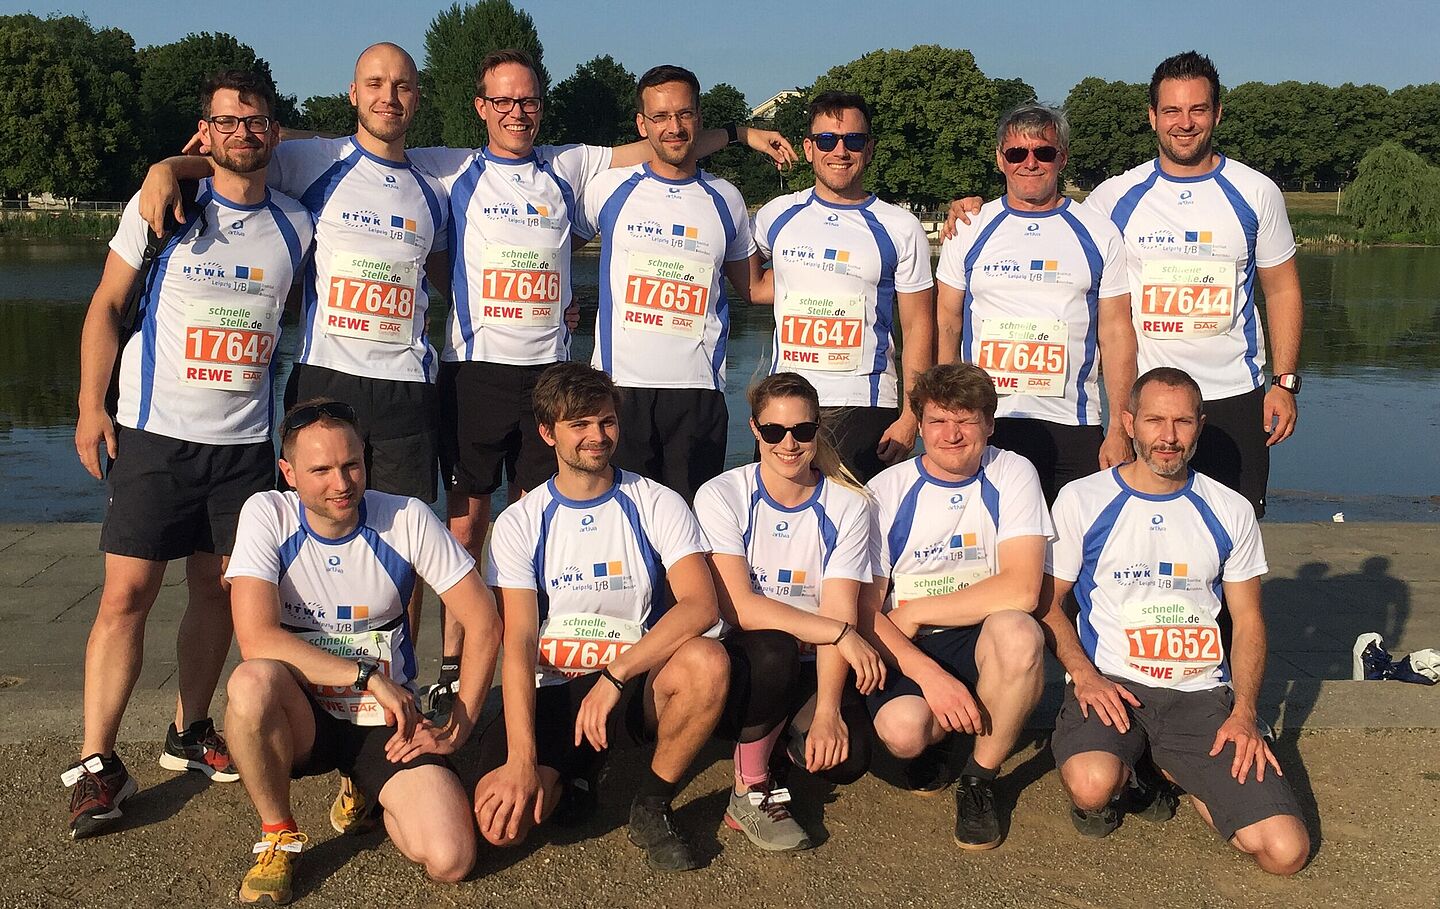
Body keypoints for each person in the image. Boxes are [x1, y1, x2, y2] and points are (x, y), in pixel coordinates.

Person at [404, 48, 794, 715]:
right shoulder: (456, 168)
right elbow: (338, 154)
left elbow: (667, 146)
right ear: (481, 106)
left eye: (527, 100)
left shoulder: (578, 168)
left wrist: (740, 135)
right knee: (467, 529)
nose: (516, 112)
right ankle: (455, 668)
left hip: (587, 383)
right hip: (485, 377)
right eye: (502, 101)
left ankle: (619, 670)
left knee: (581, 530)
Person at [141, 41, 452, 830]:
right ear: (354, 92)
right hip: (326, 382)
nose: (389, 96)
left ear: (418, 98)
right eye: (375, 83)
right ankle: (297, 694)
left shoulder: (439, 180)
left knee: (403, 559)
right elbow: (225, 153)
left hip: (409, 389)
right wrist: (163, 169)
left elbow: (450, 267)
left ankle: (390, 724)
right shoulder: (307, 156)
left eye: (402, 86)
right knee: (306, 543)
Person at [66, 70, 312, 839]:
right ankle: (98, 762)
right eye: (227, 121)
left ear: (273, 129)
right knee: (124, 597)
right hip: (153, 432)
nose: (244, 132)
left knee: (215, 592)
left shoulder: (297, 223)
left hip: (243, 444)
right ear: (202, 130)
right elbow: (107, 305)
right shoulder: (162, 208)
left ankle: (189, 730)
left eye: (257, 121)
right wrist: (87, 405)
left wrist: (184, 157)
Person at [947, 52, 1302, 516]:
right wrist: (969, 208)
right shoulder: (1114, 197)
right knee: (1143, 533)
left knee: (1233, 532)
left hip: (1233, 393)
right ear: (1152, 116)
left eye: (1198, 110)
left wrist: (1285, 382)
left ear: (1217, 113)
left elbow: (1283, 290)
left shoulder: (1257, 192)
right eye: (1172, 110)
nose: (1185, 123)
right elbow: (1043, 211)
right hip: (1146, 402)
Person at [223, 400, 502, 904]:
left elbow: (485, 621)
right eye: (321, 470)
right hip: (304, 713)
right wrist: (366, 675)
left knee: (451, 859)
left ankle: (365, 785)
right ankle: (279, 835)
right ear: (288, 473)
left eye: (351, 464)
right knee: (249, 683)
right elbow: (256, 638)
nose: (341, 483)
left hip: (383, 722)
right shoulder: (266, 514)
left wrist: (460, 721)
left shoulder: (406, 518)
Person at [1037, 366, 1309, 875]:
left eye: (1182, 422)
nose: (1168, 437)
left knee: (1284, 853)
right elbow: (1047, 605)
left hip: (1201, 695)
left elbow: (1248, 621)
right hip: (1114, 686)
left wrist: (1245, 712)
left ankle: (1165, 765)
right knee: (1093, 787)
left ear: (1200, 426)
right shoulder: (1084, 499)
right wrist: (1086, 676)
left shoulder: (1229, 509)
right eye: (1155, 420)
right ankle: (1130, 766)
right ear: (1128, 422)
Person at [475, 361, 730, 872]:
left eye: (607, 422)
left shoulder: (656, 501)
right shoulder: (519, 522)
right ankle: (575, 772)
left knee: (708, 661)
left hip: (629, 684)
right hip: (555, 688)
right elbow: (520, 641)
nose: (597, 436)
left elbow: (701, 605)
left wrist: (615, 676)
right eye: (580, 425)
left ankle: (652, 805)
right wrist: (521, 760)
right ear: (547, 433)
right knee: (500, 828)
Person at [860, 363, 1052, 850]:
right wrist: (931, 676)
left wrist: (920, 609)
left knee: (1020, 632)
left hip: (976, 629)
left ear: (989, 424)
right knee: (904, 734)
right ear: (920, 425)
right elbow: (867, 612)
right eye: (938, 421)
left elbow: (1023, 588)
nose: (951, 434)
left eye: (965, 420)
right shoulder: (887, 490)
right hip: (911, 643)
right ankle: (942, 730)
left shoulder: (1012, 471)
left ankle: (979, 778)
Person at [693, 372, 885, 852]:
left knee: (849, 759)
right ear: (756, 430)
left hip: (811, 659)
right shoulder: (722, 494)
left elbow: (839, 607)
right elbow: (740, 607)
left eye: (802, 430)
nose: (789, 443)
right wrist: (839, 634)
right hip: (749, 658)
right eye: (775, 431)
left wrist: (827, 711)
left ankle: (775, 737)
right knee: (774, 645)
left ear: (817, 430)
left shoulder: (849, 506)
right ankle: (749, 790)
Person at [576, 64, 763, 502]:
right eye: (660, 117)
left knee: (691, 530)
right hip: (620, 392)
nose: (673, 127)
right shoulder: (608, 189)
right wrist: (559, 301)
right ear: (643, 124)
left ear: (699, 118)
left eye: (684, 115)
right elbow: (555, 251)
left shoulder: (727, 198)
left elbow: (754, 288)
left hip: (698, 394)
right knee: (625, 524)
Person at [935, 104, 1136, 504]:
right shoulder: (969, 228)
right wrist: (945, 414)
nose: (1030, 163)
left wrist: (1119, 429)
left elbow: (1115, 334)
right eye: (1016, 153)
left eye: (1043, 153)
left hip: (1072, 424)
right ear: (1000, 158)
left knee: (1069, 559)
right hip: (988, 421)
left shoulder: (1099, 233)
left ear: (1061, 157)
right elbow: (947, 323)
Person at [751, 92, 935, 482]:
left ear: (868, 149)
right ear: (808, 147)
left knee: (864, 532)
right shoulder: (776, 215)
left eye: (853, 141)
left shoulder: (900, 227)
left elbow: (919, 326)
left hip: (866, 407)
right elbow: (753, 283)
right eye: (826, 140)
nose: (840, 151)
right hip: (786, 408)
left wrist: (911, 414)